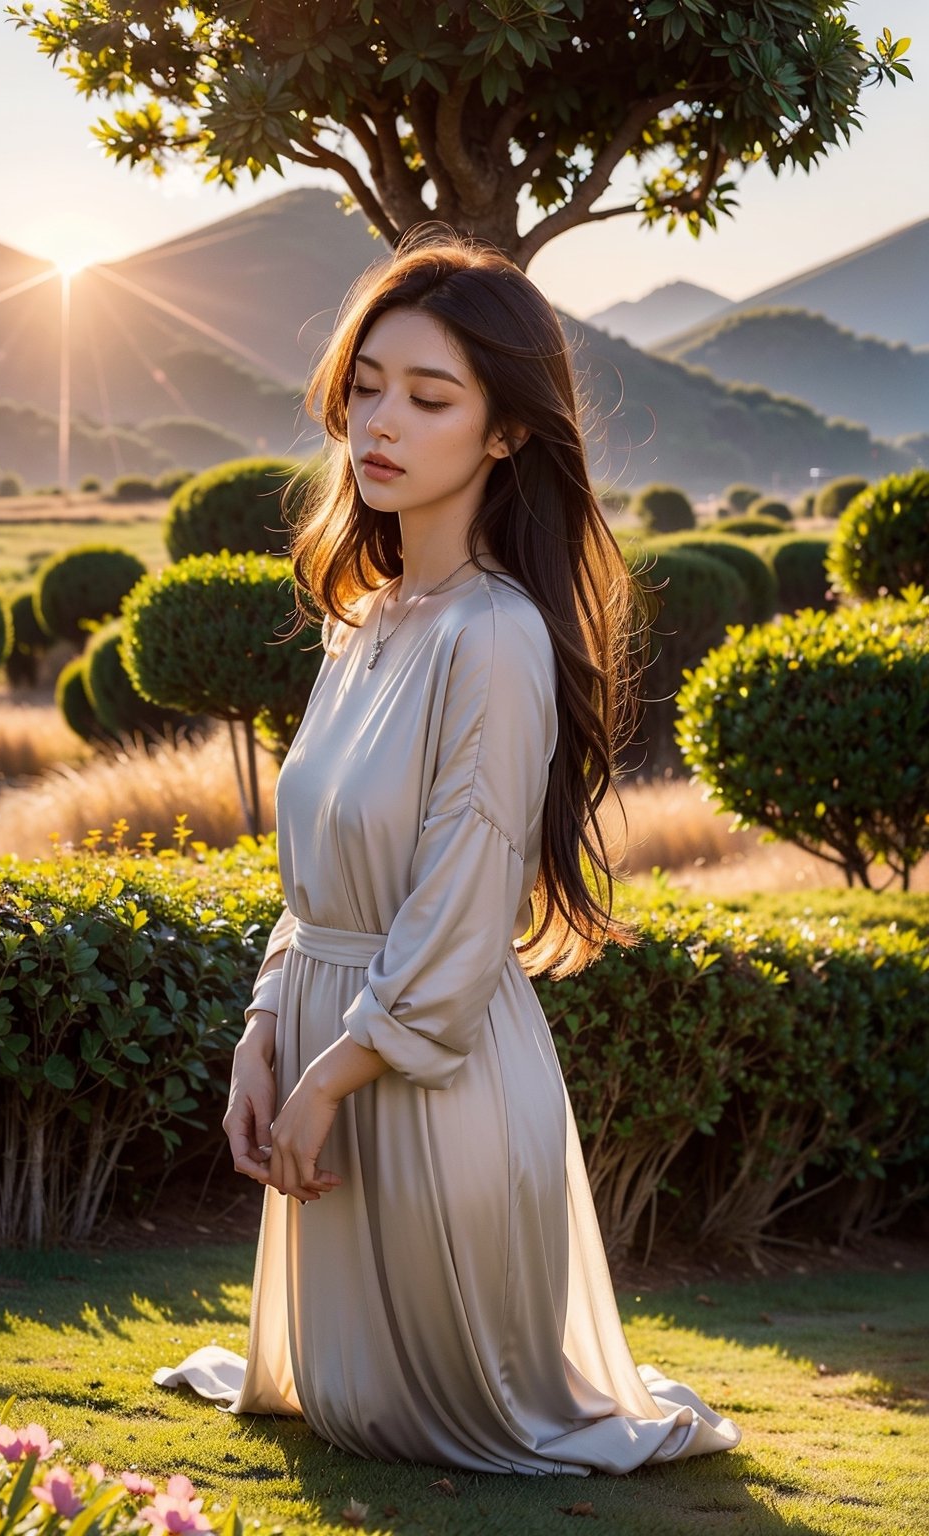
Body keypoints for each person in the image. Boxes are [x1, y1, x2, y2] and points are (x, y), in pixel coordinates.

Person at [155, 231, 741, 1475]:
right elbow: (309, 878)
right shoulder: (361, 619)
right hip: (332, 1043)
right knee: (335, 1410)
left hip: (429, 1087)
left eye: (428, 397)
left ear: (504, 434)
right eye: (365, 384)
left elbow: (466, 911)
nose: (379, 421)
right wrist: (266, 1035)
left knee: (422, 1429)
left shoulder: (496, 635)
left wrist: (327, 1077)